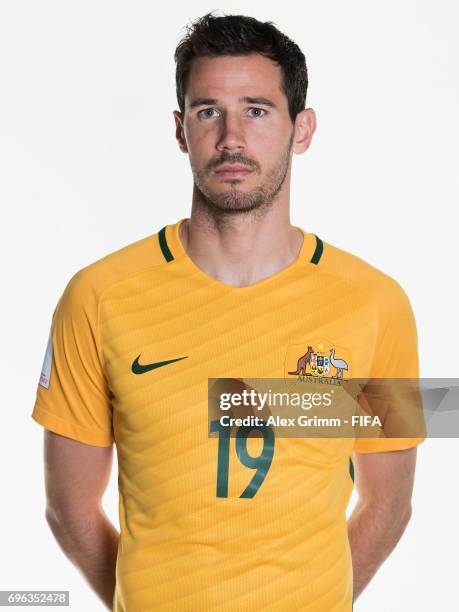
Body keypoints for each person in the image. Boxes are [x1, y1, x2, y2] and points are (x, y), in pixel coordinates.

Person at [32, 12, 424, 611]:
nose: (232, 137)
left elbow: (390, 504)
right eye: (208, 110)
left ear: (303, 128)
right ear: (181, 129)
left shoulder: (377, 303)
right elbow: (68, 508)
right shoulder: (97, 295)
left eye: (257, 110)